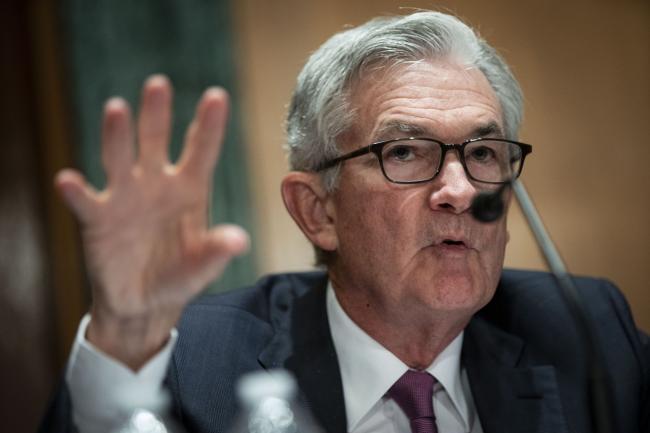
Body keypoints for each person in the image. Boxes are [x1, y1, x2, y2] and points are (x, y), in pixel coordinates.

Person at [41, 11, 648, 433]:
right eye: (405, 152)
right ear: (317, 211)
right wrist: (122, 340)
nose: (460, 191)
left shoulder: (588, 332)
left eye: (484, 153)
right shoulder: (201, 362)